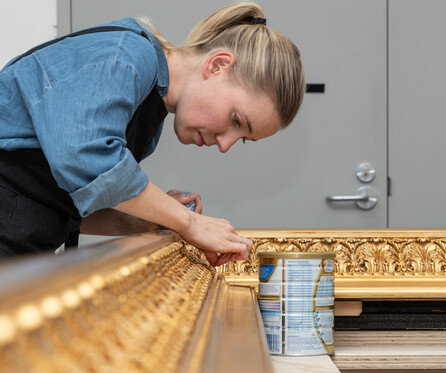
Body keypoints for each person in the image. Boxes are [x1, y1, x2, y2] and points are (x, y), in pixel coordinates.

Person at [0, 2, 305, 266]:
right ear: (217, 65)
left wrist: (144, 220)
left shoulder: (149, 114)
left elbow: (58, 203)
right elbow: (87, 159)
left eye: (241, 140)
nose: (225, 144)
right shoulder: (126, 57)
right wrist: (186, 221)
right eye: (236, 120)